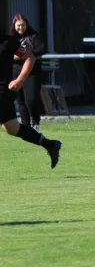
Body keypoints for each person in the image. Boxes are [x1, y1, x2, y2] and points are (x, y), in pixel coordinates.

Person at [1, 31, 61, 168]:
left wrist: (20, 80)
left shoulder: (8, 41)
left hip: (3, 90)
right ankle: (50, 144)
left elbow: (30, 57)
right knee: (12, 127)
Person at [10, 14, 45, 131]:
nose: (21, 28)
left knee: (31, 99)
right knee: (20, 101)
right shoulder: (10, 38)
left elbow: (41, 49)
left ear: (27, 25)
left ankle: (36, 123)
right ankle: (25, 126)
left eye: (23, 25)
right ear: (14, 26)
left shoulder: (34, 36)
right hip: (15, 72)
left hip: (32, 72)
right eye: (18, 25)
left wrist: (25, 54)